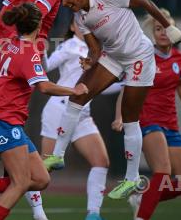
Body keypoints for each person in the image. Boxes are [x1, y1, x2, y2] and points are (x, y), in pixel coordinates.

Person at [43, 0, 181, 200]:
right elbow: (96, 50)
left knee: (130, 118)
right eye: (62, 0)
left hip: (139, 56)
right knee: (78, 95)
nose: (66, 3)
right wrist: (90, 61)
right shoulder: (81, 17)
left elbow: (146, 3)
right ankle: (58, 155)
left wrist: (168, 27)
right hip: (113, 57)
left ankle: (131, 178)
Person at [0, 3, 89, 220]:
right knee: (21, 182)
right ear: (39, 25)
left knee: (41, 179)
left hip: (6, 120)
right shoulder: (29, 53)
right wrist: (74, 90)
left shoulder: (10, 44)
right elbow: (44, 86)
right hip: (4, 122)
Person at [0, 0, 74, 218]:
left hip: (26, 46)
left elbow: (33, 16)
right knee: (23, 177)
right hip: (19, 48)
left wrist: (4, 46)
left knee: (41, 179)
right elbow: (5, 18)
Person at [111, 8, 181, 220]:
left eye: (167, 28)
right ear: (152, 33)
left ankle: (141, 198)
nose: (163, 32)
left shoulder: (179, 59)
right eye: (158, 28)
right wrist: (119, 116)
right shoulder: (144, 56)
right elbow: (127, 88)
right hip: (147, 121)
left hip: (170, 124)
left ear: (174, 32)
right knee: (163, 171)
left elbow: (180, 84)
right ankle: (141, 217)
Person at [41, 17, 122, 220]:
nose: (84, 26)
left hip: (82, 114)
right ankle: (1, 191)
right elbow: (46, 66)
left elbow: (100, 89)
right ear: (71, 27)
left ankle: (93, 214)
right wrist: (40, 47)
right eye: (79, 22)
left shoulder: (98, 53)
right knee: (42, 171)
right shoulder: (69, 46)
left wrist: (128, 83)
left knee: (101, 162)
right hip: (60, 111)